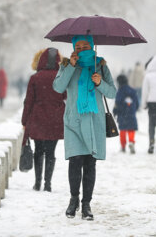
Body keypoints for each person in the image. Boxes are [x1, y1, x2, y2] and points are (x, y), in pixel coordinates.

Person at [53, 35, 117, 220]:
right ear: (73, 47)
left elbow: (112, 92)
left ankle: (86, 204)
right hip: (73, 121)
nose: (81, 48)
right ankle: (73, 200)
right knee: (75, 161)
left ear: (91, 46)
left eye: (85, 45)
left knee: (90, 163)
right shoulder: (67, 64)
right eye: (78, 46)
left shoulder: (101, 66)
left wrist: (99, 82)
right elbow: (58, 87)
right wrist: (70, 67)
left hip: (94, 122)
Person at [22, 48, 66, 192]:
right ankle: (48, 184)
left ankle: (38, 182)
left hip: (38, 118)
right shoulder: (61, 77)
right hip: (55, 119)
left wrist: (24, 121)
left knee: (39, 151)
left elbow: (29, 101)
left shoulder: (35, 78)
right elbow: (65, 96)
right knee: (51, 153)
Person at [113, 74, 139, 154]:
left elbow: (117, 102)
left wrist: (115, 111)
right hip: (131, 113)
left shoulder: (120, 91)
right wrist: (134, 109)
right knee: (131, 129)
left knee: (123, 130)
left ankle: (123, 146)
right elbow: (137, 103)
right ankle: (131, 141)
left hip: (122, 113)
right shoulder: (133, 90)